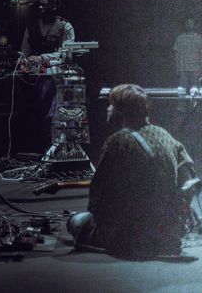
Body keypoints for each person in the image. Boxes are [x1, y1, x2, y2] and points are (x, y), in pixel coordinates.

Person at [67, 84, 195, 257]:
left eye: (111, 105)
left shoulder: (118, 141)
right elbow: (188, 173)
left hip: (131, 234)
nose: (108, 109)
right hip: (164, 229)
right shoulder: (165, 135)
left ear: (121, 110)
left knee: (75, 221)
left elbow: (98, 195)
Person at [16, 0, 76, 153]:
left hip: (55, 75)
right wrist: (23, 63)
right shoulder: (31, 26)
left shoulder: (65, 26)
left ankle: (55, 145)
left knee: (53, 111)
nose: (41, 8)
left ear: (54, 6)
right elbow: (24, 51)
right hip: (33, 76)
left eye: (45, 4)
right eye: (40, 4)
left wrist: (42, 58)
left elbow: (67, 54)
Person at [173, 18, 202, 91]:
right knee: (181, 90)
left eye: (191, 23)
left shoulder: (200, 38)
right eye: (187, 23)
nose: (189, 25)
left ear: (194, 25)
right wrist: (178, 67)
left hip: (195, 69)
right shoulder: (180, 38)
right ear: (185, 25)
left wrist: (200, 67)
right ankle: (181, 103)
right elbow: (177, 54)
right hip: (183, 69)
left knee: (195, 91)